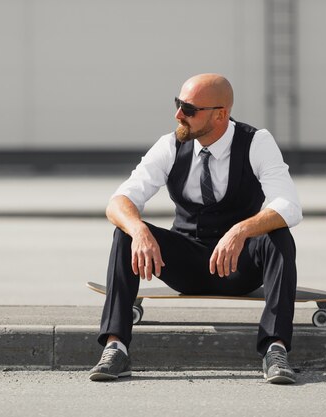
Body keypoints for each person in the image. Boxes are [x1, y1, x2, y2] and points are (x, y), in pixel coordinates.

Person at [88, 73, 303, 384]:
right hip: (186, 264)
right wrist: (139, 230)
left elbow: (289, 205)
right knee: (125, 231)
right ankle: (115, 348)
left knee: (279, 235)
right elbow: (118, 200)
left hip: (238, 266)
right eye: (178, 104)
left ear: (220, 114)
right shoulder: (171, 145)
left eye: (189, 109)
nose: (178, 115)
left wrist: (241, 230)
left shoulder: (256, 143)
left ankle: (275, 349)